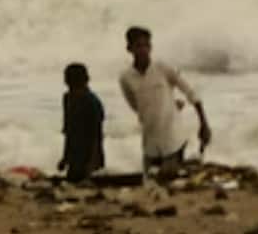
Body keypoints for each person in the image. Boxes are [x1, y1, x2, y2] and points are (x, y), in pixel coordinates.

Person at [119, 26, 212, 172]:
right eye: (138, 46)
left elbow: (191, 92)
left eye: (146, 45)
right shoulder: (126, 78)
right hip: (150, 141)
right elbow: (136, 106)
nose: (143, 50)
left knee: (167, 176)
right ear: (129, 48)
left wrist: (204, 123)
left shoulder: (162, 68)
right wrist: (166, 105)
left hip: (173, 138)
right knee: (150, 179)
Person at [59, 62, 106, 182]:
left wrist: (92, 164)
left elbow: (97, 136)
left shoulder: (92, 102)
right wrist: (65, 158)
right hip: (74, 156)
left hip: (90, 157)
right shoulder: (67, 98)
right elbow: (68, 132)